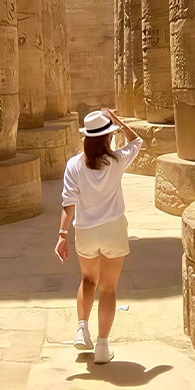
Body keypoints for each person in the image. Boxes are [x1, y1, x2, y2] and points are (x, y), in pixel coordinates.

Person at [54, 108, 143, 364]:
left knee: (88, 280)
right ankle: (103, 346)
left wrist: (62, 234)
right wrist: (117, 120)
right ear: (107, 137)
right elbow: (137, 141)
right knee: (108, 288)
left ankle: (82, 327)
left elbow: (68, 202)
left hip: (86, 230)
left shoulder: (74, 165)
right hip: (114, 229)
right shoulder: (117, 160)